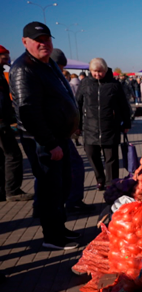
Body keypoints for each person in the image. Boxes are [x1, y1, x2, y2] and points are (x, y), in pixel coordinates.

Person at [10, 22, 80, 249]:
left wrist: (72, 124)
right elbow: (28, 112)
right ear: (25, 42)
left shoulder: (48, 65)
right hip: (43, 142)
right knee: (51, 189)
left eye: (47, 39)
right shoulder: (23, 69)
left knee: (62, 186)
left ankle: (59, 228)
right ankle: (52, 237)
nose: (44, 44)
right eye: (38, 40)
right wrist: (50, 144)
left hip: (59, 137)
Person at [76, 58, 131, 191]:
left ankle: (112, 183)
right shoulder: (85, 84)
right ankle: (100, 179)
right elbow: (77, 104)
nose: (98, 74)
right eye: (95, 71)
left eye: (100, 71)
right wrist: (77, 125)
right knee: (92, 155)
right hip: (90, 127)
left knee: (111, 158)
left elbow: (124, 105)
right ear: (90, 70)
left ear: (106, 70)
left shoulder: (114, 84)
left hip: (110, 127)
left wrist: (126, 123)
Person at [50, 48, 92, 213]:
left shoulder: (55, 78)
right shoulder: (47, 79)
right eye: (59, 66)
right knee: (73, 166)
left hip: (58, 132)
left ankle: (43, 205)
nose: (62, 70)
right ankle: (73, 201)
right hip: (55, 134)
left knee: (48, 172)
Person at [0, 45, 33, 202]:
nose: (6, 58)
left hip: (4, 122)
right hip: (1, 124)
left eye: (7, 55)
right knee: (13, 156)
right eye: (3, 56)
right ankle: (12, 191)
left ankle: (3, 190)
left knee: (4, 157)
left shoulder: (2, 73)